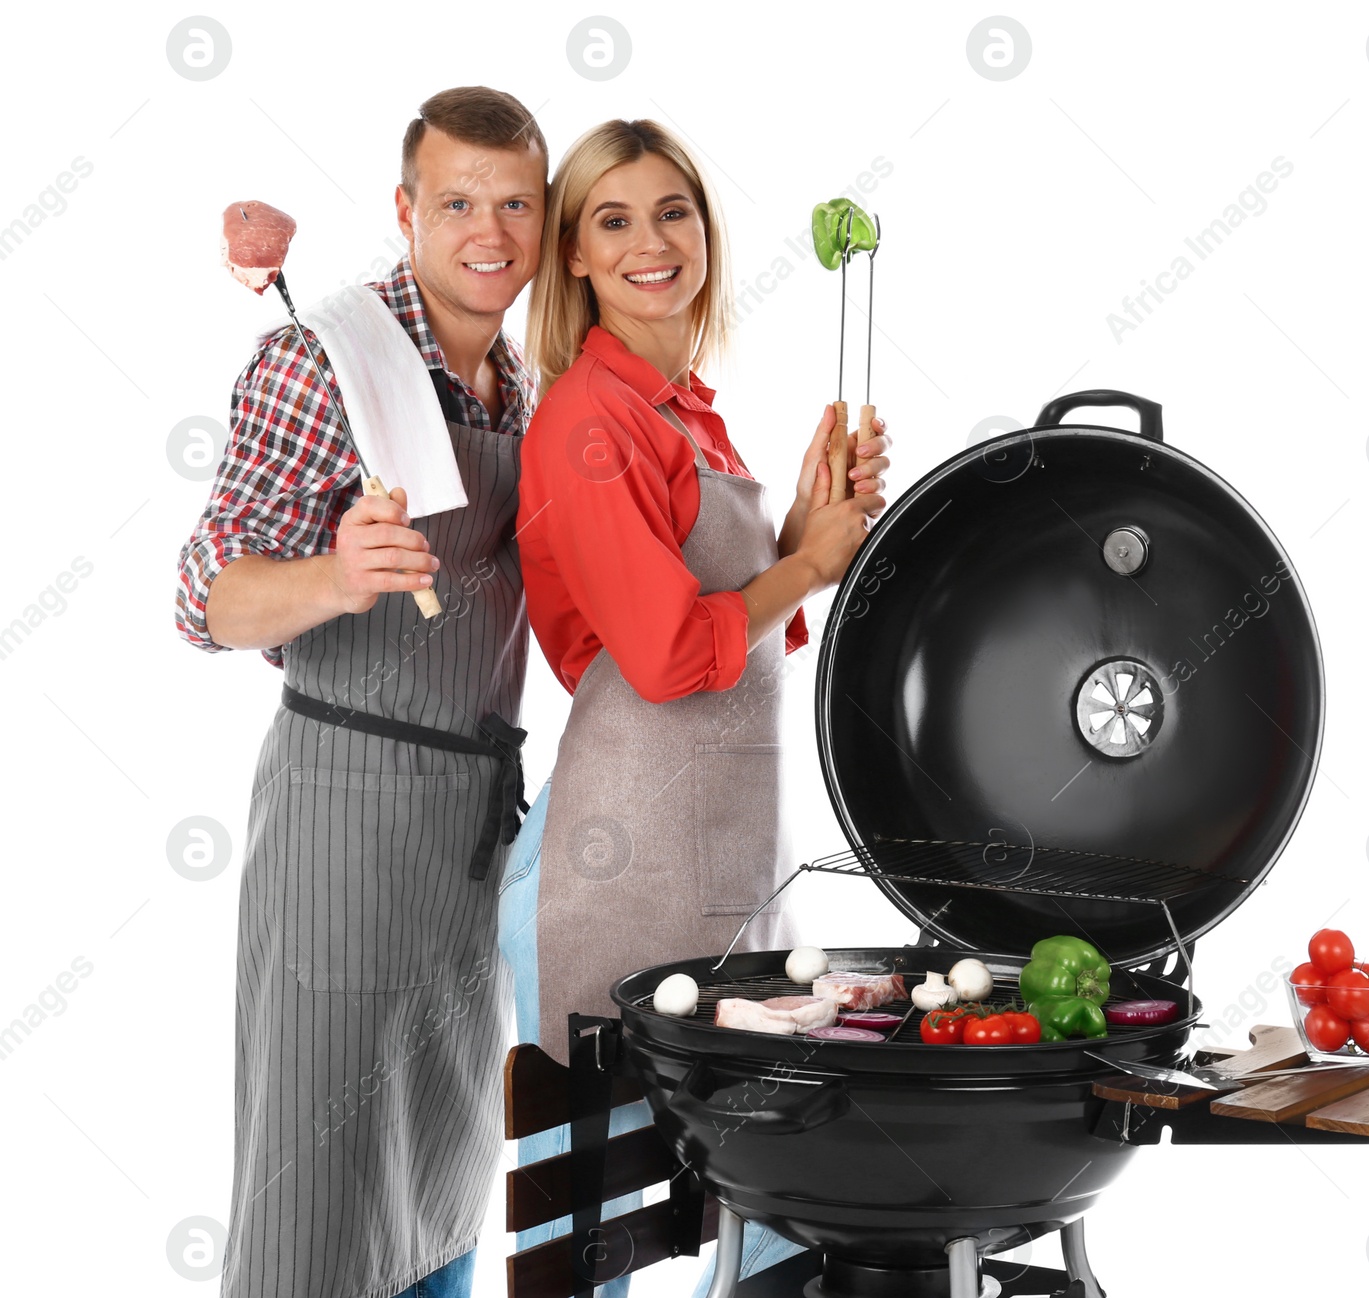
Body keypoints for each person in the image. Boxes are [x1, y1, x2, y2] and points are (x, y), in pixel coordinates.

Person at [503, 117, 891, 1296]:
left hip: (718, 857)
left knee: (761, 1197)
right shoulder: (587, 419)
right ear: (573, 253)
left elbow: (738, 619)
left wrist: (802, 526)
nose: (650, 241)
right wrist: (808, 563)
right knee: (593, 1237)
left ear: (707, 234)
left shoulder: (684, 409)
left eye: (672, 211)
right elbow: (672, 656)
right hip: (607, 869)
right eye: (612, 220)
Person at [176, 86, 548, 1298]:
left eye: (512, 204)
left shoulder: (519, 382)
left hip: (465, 831)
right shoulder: (317, 357)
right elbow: (205, 599)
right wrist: (336, 576)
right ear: (404, 210)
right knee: (319, 1199)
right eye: (455, 203)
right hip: (345, 819)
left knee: (436, 1184)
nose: (485, 231)